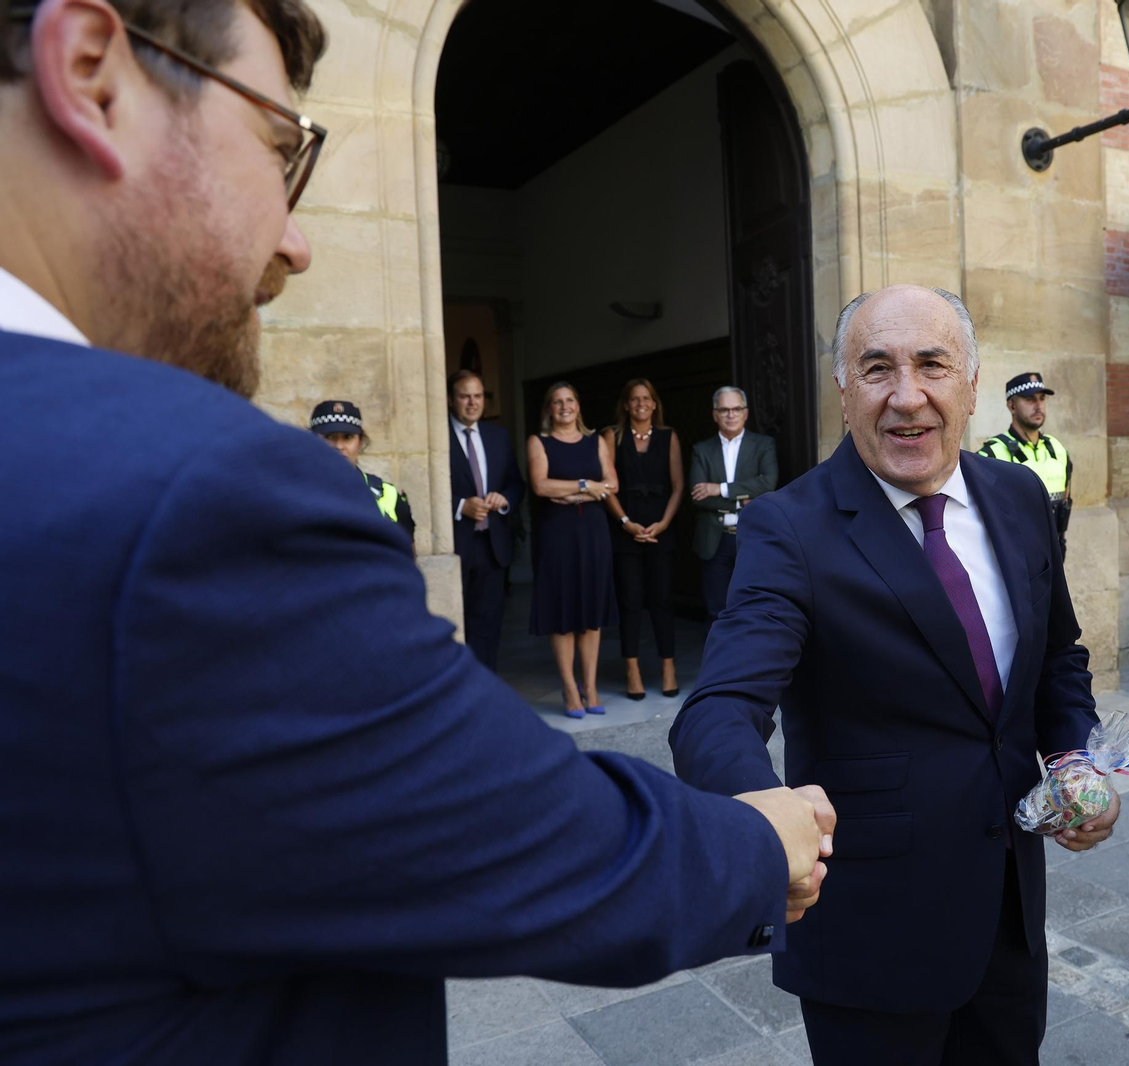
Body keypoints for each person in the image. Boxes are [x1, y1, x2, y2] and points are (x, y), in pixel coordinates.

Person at [0, 3, 836, 1062]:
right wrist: (762, 843)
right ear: (90, 71)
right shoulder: (195, 494)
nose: (295, 243)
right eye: (278, 149)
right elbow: (532, 842)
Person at [671, 285, 1115, 1066]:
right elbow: (719, 707)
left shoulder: (1018, 497)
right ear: (844, 392)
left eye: (932, 365)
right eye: (877, 369)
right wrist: (761, 808)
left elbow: (1058, 660)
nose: (907, 397)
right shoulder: (790, 527)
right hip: (870, 940)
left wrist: (1075, 756)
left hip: (1008, 919)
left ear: (972, 383)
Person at [527, 382, 618, 718]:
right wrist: (586, 486)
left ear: (578, 406)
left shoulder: (596, 441)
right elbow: (540, 485)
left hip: (593, 532)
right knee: (563, 611)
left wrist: (571, 495)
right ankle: (569, 688)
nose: (564, 407)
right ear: (549, 409)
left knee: (592, 612)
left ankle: (590, 686)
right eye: (557, 402)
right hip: (557, 533)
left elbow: (612, 484)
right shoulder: (539, 442)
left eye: (570, 400)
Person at [602, 378, 684, 699]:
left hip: (661, 526)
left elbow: (678, 485)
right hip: (626, 527)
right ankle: (632, 669)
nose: (640, 404)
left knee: (662, 600)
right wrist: (625, 522)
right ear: (626, 404)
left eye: (646, 399)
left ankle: (668, 666)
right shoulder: (613, 435)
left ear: (654, 403)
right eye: (634, 399)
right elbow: (606, 485)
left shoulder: (668, 436)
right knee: (630, 601)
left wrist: (663, 523)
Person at [447, 368, 523, 671]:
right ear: (452, 400)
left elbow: (516, 484)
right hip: (455, 546)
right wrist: (460, 505)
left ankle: (485, 690)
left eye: (477, 396)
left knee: (488, 627)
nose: (472, 402)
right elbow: (420, 487)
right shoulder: (435, 437)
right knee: (454, 626)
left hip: (493, 547)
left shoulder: (498, 436)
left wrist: (504, 500)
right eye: (464, 396)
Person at [689, 385, 777, 619]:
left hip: (751, 536)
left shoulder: (763, 445)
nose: (731, 414)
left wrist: (719, 489)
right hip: (714, 541)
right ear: (715, 414)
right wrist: (742, 500)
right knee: (717, 610)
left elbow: (768, 484)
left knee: (754, 607)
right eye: (724, 409)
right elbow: (698, 497)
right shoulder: (701, 450)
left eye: (736, 408)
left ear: (745, 413)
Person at [977, 372, 1072, 552]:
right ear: (1012, 406)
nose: (1038, 406)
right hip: (1014, 558)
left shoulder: (1058, 449)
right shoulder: (991, 454)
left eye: (1042, 398)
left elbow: (1066, 499)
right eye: (1029, 399)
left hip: (1055, 554)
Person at [309, 399, 416, 542]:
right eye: (329, 437)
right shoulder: (293, 493)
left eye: (348, 437)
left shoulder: (387, 495)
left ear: (360, 442)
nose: (339, 446)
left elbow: (405, 559)